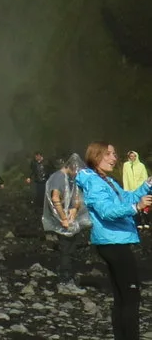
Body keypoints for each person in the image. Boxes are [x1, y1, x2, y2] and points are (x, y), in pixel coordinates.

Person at [79, 141, 152, 340]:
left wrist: (147, 185)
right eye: (109, 154)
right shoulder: (94, 182)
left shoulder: (105, 180)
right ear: (96, 157)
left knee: (121, 297)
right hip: (113, 243)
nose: (114, 158)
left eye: (114, 154)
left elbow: (125, 198)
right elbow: (107, 211)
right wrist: (137, 207)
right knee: (131, 297)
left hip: (113, 241)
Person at [48, 153, 91, 286]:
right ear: (70, 167)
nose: (76, 174)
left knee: (71, 246)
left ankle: (68, 273)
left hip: (70, 218)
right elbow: (55, 198)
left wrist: (74, 210)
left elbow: (74, 197)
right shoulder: (58, 177)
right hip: (63, 220)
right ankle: (65, 277)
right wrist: (63, 218)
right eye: (76, 171)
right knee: (66, 248)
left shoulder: (67, 178)